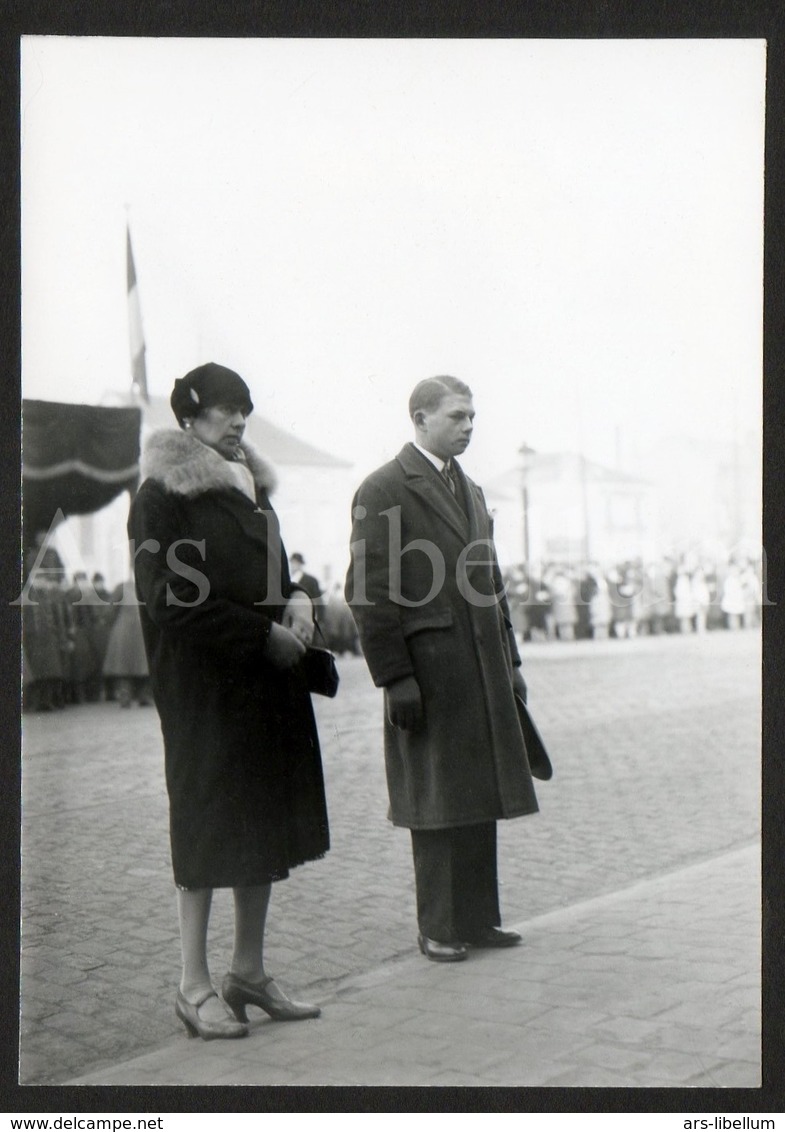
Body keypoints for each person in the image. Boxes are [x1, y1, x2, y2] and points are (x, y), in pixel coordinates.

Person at [128, 362, 330, 1040]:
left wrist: (300, 595)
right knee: (208, 822)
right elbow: (167, 601)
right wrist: (258, 634)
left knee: (262, 820)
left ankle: (247, 971)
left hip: (263, 684)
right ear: (188, 420)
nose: (238, 420)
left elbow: (271, 571)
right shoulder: (161, 494)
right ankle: (193, 985)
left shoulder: (248, 485)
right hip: (206, 690)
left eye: (243, 408)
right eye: (222, 410)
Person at [345, 375, 538, 963]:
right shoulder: (383, 489)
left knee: (479, 792)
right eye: (457, 416)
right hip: (428, 672)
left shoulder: (472, 490)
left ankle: (479, 920)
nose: (469, 426)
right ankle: (438, 926)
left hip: (481, 668)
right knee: (435, 800)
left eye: (473, 417)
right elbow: (368, 590)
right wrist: (394, 676)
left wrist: (511, 662)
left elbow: (492, 583)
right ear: (420, 418)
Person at [288, 553, 325, 624]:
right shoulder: (290, 580)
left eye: (296, 563)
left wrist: (319, 620)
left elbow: (318, 601)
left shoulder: (311, 580)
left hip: (307, 618)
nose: (293, 566)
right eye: (292, 563)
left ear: (300, 564)